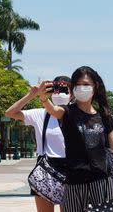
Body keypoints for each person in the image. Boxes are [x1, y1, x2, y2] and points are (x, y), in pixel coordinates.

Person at [39, 66, 113, 212]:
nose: (82, 88)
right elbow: (53, 110)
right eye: (78, 85)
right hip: (73, 183)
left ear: (95, 86)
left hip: (101, 182)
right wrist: (44, 98)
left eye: (86, 84)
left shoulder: (103, 116)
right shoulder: (68, 111)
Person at [5, 76, 71, 212]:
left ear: (72, 94)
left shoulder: (77, 114)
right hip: (46, 167)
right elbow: (10, 113)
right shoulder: (41, 114)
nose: (60, 93)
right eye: (56, 89)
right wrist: (32, 95)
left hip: (72, 167)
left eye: (65, 89)